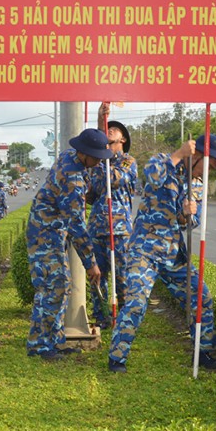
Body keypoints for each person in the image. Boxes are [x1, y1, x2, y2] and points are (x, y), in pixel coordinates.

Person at [108, 135, 216, 373]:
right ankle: (117, 358)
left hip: (173, 253)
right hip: (144, 250)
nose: (208, 172)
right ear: (197, 156)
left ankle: (203, 351)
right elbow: (152, 178)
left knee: (201, 297)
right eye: (208, 165)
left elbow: (190, 223)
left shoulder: (197, 185)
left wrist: (186, 214)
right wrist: (179, 154)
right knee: (135, 302)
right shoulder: (162, 161)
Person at [27, 128, 113, 360]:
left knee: (62, 285)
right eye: (95, 157)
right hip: (45, 233)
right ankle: (39, 345)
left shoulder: (69, 155)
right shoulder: (72, 180)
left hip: (53, 231)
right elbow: (77, 226)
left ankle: (55, 341)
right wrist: (91, 264)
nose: (98, 162)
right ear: (84, 153)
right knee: (51, 287)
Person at [86, 119, 138, 327]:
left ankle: (124, 317)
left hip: (119, 229)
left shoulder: (128, 161)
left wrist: (102, 158)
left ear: (122, 139)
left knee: (122, 276)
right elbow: (92, 193)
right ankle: (101, 317)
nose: (109, 131)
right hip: (97, 228)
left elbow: (115, 179)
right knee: (97, 276)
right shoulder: (98, 164)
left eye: (114, 130)